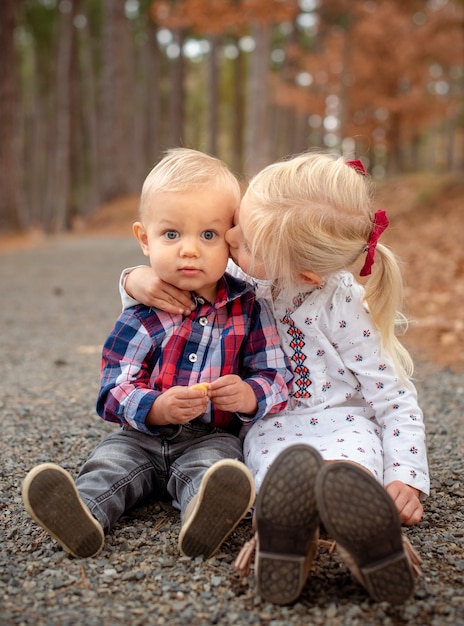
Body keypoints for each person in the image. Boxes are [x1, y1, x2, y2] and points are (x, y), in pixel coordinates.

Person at [121, 152, 429, 606]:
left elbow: (392, 394)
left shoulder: (340, 303)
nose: (228, 237)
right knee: (272, 472)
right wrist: (135, 279)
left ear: (303, 273)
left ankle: (372, 541)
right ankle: (284, 542)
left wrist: (405, 474)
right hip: (272, 421)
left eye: (243, 239)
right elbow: (175, 277)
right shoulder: (246, 271)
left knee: (351, 470)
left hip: (343, 421)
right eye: (238, 223)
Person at [22, 148, 292, 562]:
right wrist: (156, 406)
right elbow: (113, 389)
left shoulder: (248, 307)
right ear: (144, 239)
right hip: (140, 437)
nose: (189, 250)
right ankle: (82, 516)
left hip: (211, 436)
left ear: (232, 240)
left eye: (208, 235)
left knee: (216, 471)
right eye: (171, 235)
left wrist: (249, 394)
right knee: (109, 464)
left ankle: (205, 519)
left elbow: (274, 374)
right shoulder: (144, 313)